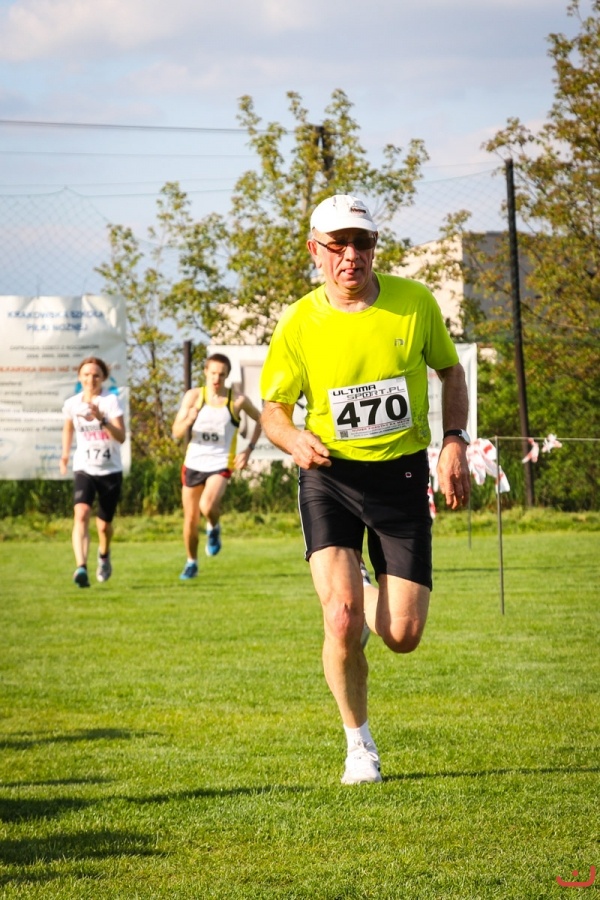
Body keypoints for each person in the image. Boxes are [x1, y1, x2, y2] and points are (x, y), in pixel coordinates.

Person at [260, 194, 471, 785]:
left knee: (402, 636)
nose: (350, 255)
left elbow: (450, 371)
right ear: (315, 251)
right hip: (329, 476)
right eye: (338, 245)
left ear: (375, 248)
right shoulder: (298, 321)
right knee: (342, 617)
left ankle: (364, 586)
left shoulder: (414, 302)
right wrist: (293, 439)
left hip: (400, 478)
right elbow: (274, 409)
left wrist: (454, 440)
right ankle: (359, 746)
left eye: (362, 243)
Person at [172, 353, 262, 580]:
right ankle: (191, 562)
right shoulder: (194, 397)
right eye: (213, 373)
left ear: (227, 376)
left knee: (207, 504)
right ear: (205, 372)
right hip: (193, 462)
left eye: (221, 374)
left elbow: (261, 420)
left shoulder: (237, 400)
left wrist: (248, 449)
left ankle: (213, 526)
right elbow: (176, 432)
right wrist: (188, 419)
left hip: (221, 462)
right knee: (190, 520)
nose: (216, 378)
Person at [60, 356, 127, 588]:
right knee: (81, 513)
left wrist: (102, 420)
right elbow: (68, 428)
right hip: (84, 468)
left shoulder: (110, 401)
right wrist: (65, 455)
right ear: (80, 377)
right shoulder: (72, 404)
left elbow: (121, 437)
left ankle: (104, 555)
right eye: (86, 374)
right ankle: (81, 567)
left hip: (110, 471)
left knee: (103, 526)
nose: (91, 379)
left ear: (103, 378)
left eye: (96, 375)